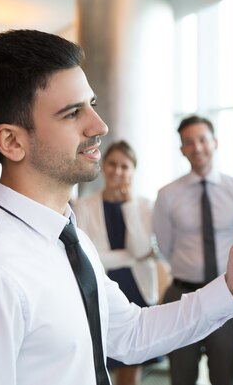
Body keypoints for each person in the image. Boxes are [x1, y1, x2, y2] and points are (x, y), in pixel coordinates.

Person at [0, 29, 233, 385]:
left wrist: (229, 289)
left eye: (91, 105)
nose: (100, 125)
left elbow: (130, 333)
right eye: (72, 113)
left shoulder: (65, 233)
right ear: (13, 141)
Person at [153, 114, 233, 385]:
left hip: (226, 292)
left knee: (224, 373)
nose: (197, 147)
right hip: (182, 295)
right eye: (189, 142)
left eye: (202, 140)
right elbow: (166, 246)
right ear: (182, 149)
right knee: (182, 374)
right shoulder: (167, 195)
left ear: (215, 142)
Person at [73, 140, 162, 385]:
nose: (117, 171)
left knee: (132, 364)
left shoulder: (143, 205)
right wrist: (131, 255)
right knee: (101, 360)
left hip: (137, 287)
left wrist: (129, 204)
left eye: (125, 166)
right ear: (103, 164)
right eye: (112, 164)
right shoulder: (84, 205)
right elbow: (90, 255)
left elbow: (142, 249)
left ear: (133, 171)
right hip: (102, 287)